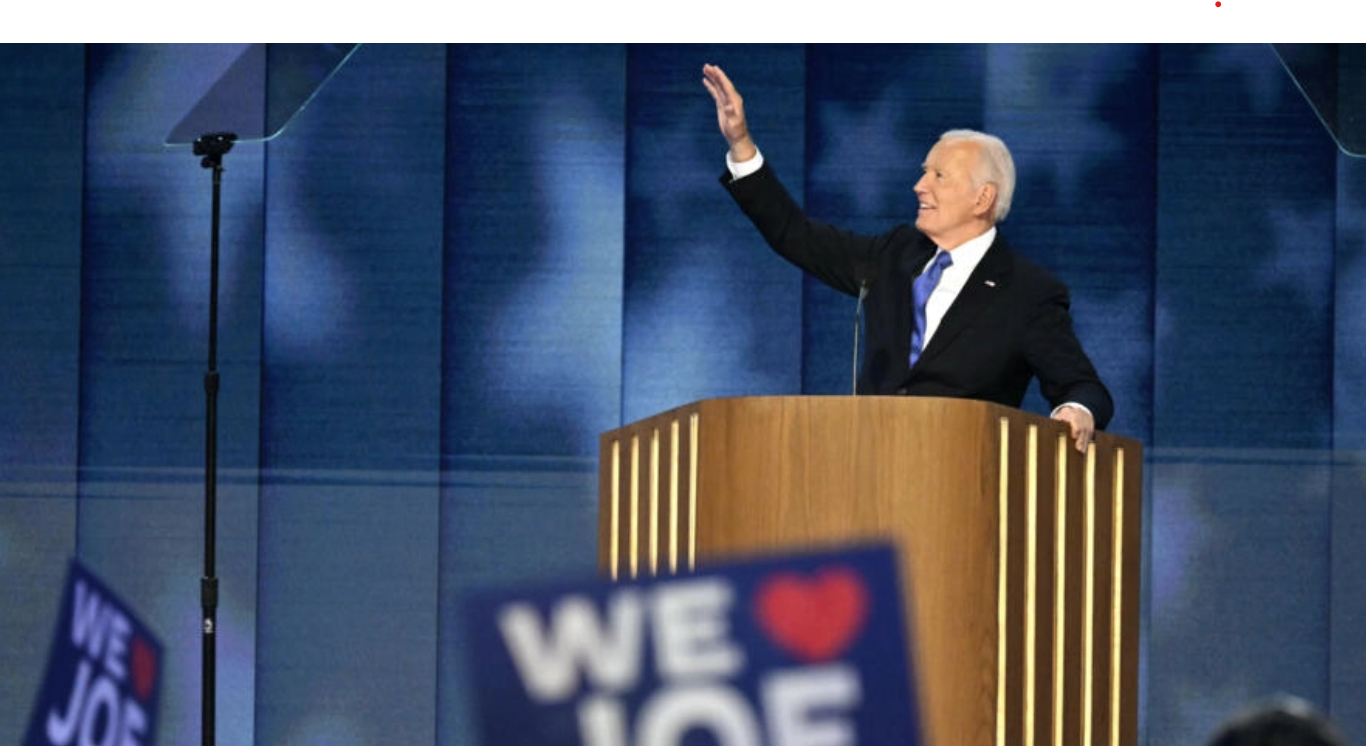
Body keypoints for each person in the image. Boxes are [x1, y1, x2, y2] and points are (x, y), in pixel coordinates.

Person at [702, 63, 1113, 452]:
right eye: (923, 172)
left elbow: (1083, 387)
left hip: (961, 488)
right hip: (868, 472)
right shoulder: (894, 255)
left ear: (982, 198)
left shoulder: (1027, 292)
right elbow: (796, 235)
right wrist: (740, 144)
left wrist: (1075, 410)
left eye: (938, 176)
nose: (919, 186)